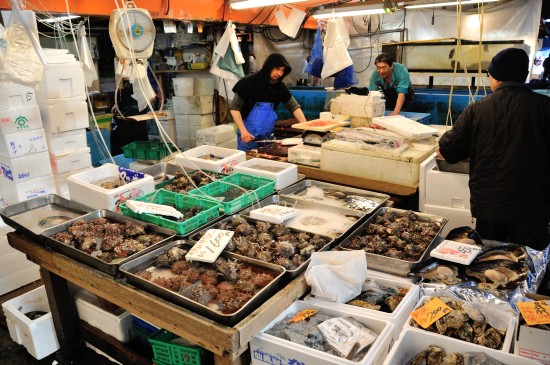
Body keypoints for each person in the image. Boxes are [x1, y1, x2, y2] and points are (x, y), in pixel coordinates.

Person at [438, 48, 550, 252]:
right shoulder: (545, 107)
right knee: (531, 263)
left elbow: (449, 150)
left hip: (489, 207)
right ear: (524, 76)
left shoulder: (477, 109)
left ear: (495, 77)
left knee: (490, 262)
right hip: (533, 208)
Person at [229, 53, 307, 151]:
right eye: (277, 69)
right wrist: (243, 131)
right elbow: (234, 108)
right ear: (269, 66)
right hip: (248, 136)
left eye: (282, 70)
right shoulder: (248, 82)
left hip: (267, 137)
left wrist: (306, 127)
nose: (279, 73)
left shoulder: (280, 87)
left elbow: (294, 107)